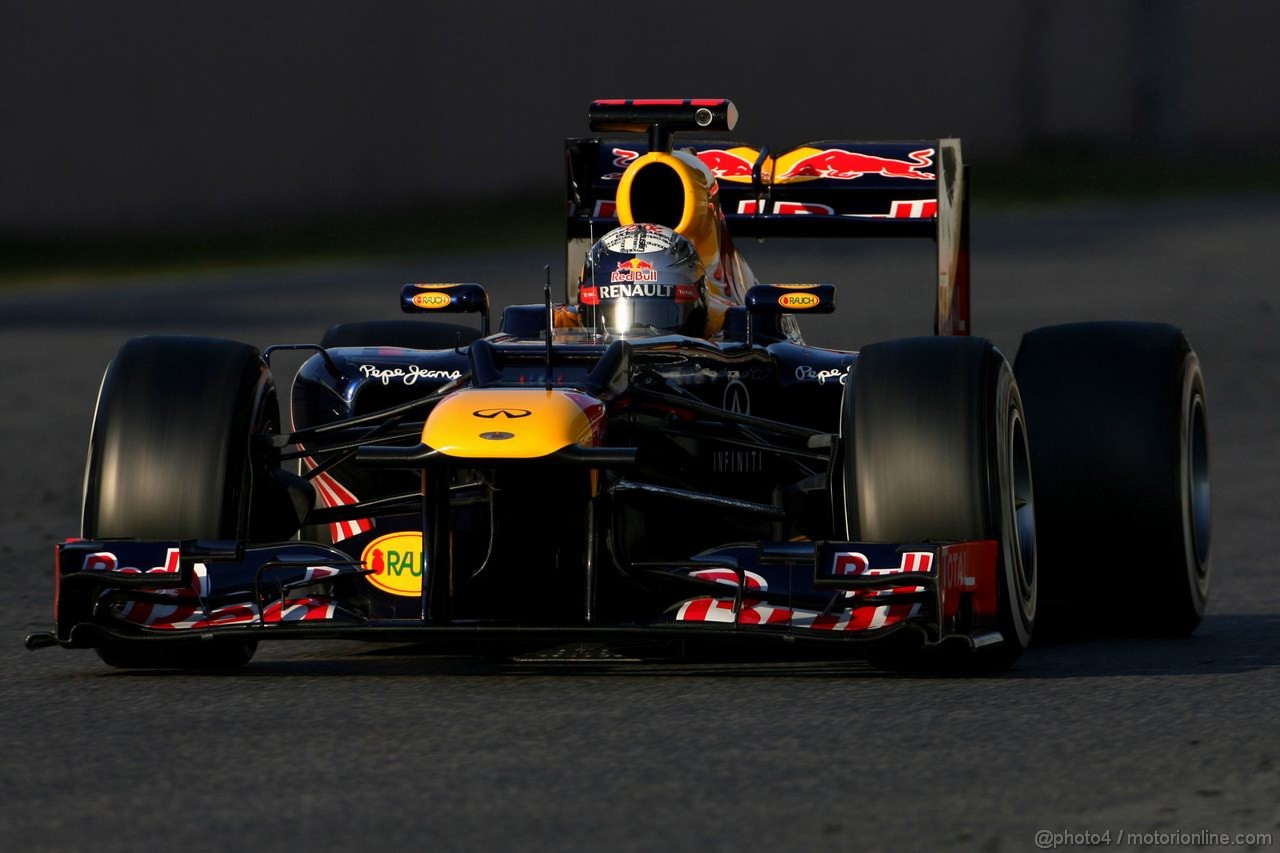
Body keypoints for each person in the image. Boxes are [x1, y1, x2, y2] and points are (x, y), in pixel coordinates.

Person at [572, 223, 708, 338]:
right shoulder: (561, 320)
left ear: (702, 293)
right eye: (610, 315)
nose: (636, 341)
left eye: (657, 314)